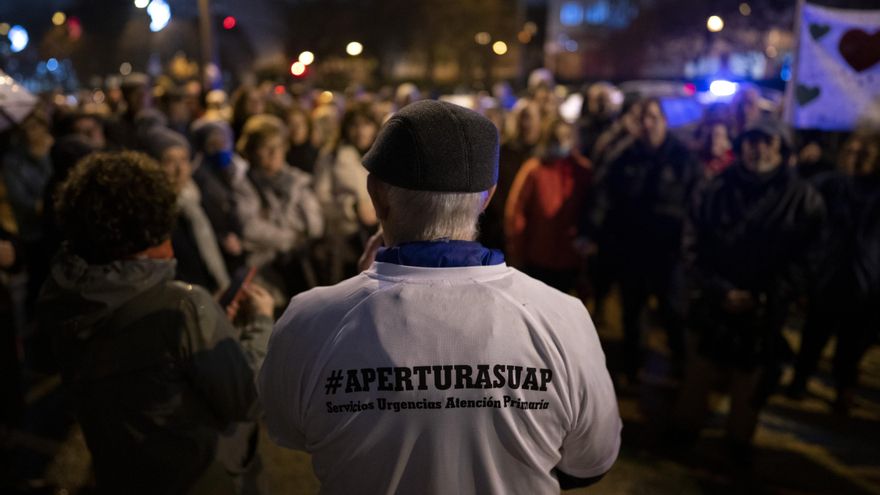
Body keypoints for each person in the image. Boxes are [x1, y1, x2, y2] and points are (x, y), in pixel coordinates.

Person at [259, 100, 621, 494]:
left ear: (377, 195)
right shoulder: (562, 317)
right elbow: (591, 460)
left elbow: (289, 429)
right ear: (487, 197)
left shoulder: (311, 319)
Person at [38, 151, 274, 494]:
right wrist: (261, 323)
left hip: (119, 472)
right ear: (156, 218)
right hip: (197, 476)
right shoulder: (182, 306)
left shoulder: (61, 294)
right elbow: (247, 397)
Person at [676, 119, 825, 456]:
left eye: (768, 142)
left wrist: (765, 295)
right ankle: (685, 433)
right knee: (698, 376)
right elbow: (692, 244)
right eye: (752, 142)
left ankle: (737, 443)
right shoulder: (715, 189)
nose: (759, 149)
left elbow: (810, 257)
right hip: (714, 304)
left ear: (781, 148)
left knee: (749, 385)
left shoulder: (803, 199)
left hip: (764, 313)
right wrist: (719, 290)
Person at [583, 98, 699, 381]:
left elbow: (697, 204)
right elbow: (602, 196)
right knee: (632, 313)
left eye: (654, 117)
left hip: (668, 252)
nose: (648, 124)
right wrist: (591, 232)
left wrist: (689, 247)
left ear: (664, 121)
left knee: (673, 311)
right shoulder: (622, 156)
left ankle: (680, 365)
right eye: (643, 118)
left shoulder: (683, 158)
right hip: (632, 248)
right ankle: (633, 365)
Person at [788, 132, 880, 412]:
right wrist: (798, 165)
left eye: (864, 153)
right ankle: (800, 380)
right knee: (814, 335)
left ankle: (844, 388)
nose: (857, 158)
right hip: (828, 277)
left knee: (851, 345)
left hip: (863, 283)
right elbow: (797, 192)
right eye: (852, 152)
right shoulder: (829, 184)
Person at [234, 114, 323, 295]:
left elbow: (315, 225)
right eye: (266, 148)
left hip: (300, 266)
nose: (274, 154)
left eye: (279, 147)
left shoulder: (297, 180)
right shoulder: (245, 184)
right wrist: (292, 236)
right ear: (251, 150)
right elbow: (251, 228)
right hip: (265, 271)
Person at [505, 118, 592, 293]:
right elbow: (517, 213)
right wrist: (517, 254)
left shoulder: (582, 170)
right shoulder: (534, 169)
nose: (560, 143)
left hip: (570, 258)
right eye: (556, 138)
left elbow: (591, 209)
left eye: (565, 138)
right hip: (537, 257)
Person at [144, 127, 231, 293]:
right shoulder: (155, 214)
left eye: (184, 160)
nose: (179, 169)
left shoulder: (196, 197)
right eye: (169, 161)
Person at [478, 99, 541, 250]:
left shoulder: (542, 155)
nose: (525, 124)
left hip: (537, 228)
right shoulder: (503, 152)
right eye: (521, 118)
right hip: (503, 226)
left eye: (529, 117)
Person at [191, 119, 248, 273]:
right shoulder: (199, 178)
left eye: (222, 142)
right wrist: (222, 237)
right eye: (212, 144)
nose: (219, 149)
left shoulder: (241, 170)